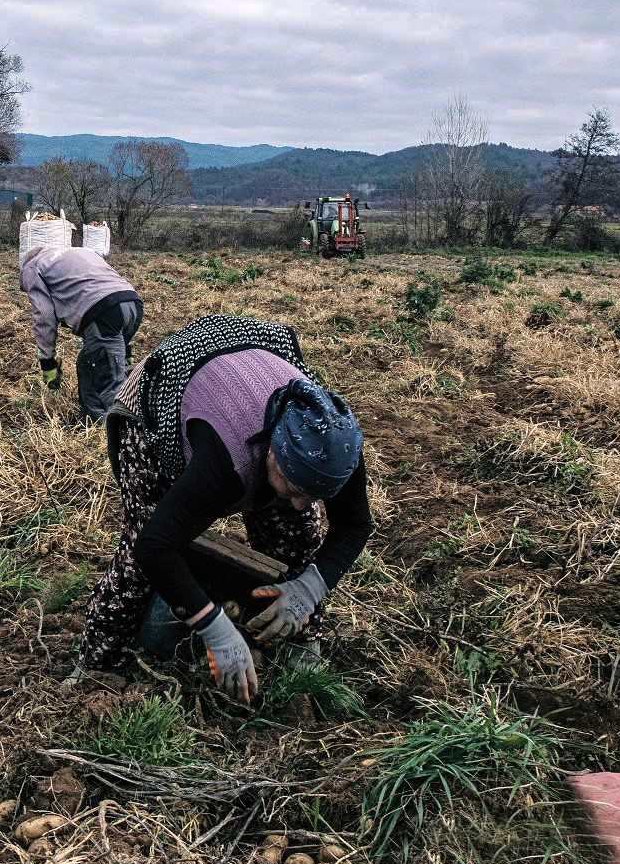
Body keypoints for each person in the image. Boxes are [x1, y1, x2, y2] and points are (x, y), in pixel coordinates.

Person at [78, 315, 374, 703]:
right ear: (272, 451)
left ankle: (298, 639)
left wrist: (309, 588)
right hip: (158, 403)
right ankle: (97, 666)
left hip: (248, 366)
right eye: (295, 486)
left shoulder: (333, 448)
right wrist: (214, 628)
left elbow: (355, 525)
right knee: (143, 547)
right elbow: (155, 546)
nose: (304, 501)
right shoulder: (224, 463)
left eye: (317, 492)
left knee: (298, 532)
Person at [19, 245, 144, 422]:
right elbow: (104, 285)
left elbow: (44, 315)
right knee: (90, 364)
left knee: (102, 379)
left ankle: (109, 430)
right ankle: (97, 417)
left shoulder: (31, 267)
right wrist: (126, 349)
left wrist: (47, 361)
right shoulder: (81, 252)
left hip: (102, 312)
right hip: (132, 304)